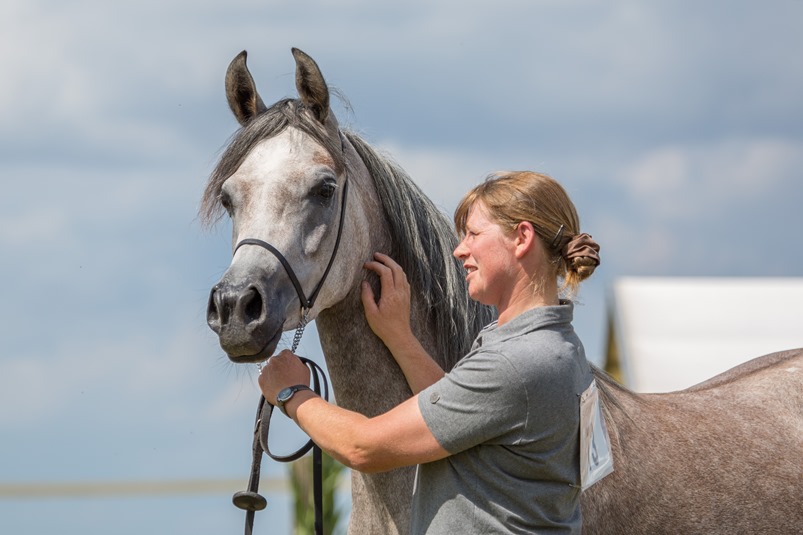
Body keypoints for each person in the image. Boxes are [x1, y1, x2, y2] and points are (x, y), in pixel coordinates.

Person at [259, 170, 601, 534]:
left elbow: (364, 448)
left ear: (522, 238)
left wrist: (292, 392)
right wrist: (400, 337)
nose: (460, 250)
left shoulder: (516, 362)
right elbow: (459, 416)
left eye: (473, 234)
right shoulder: (557, 347)